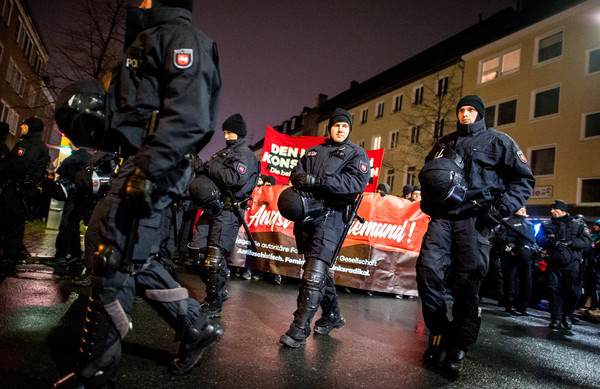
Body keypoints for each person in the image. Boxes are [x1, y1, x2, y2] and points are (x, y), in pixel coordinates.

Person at [54, 0, 223, 387]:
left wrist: (150, 169)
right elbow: (132, 115)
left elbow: (190, 115)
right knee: (133, 257)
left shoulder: (182, 38)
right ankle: (196, 327)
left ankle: (96, 373)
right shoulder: (147, 39)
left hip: (154, 165)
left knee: (112, 257)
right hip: (141, 161)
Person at [416, 94, 534, 375]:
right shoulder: (444, 143)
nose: (465, 114)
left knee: (467, 282)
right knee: (427, 272)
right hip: (443, 218)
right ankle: (439, 333)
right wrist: (428, 201)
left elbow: (524, 179)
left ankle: (459, 344)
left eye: (470, 110)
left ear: (480, 114)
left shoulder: (499, 141)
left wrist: (500, 209)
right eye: (461, 110)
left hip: (476, 219)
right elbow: (429, 174)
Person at [279, 107, 370, 348]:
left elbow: (354, 183)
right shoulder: (313, 151)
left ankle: (299, 328)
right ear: (330, 127)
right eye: (337, 125)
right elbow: (297, 172)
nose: (340, 129)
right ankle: (332, 315)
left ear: (349, 129)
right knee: (316, 268)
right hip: (309, 215)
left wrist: (317, 182)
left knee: (313, 272)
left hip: (334, 215)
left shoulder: (355, 153)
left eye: (345, 126)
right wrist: (299, 177)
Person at [187, 113, 260, 318]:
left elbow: (233, 178)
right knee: (196, 253)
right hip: (211, 208)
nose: (227, 135)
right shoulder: (223, 152)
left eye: (230, 132)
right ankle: (219, 289)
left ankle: (214, 301)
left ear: (240, 132)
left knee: (214, 260)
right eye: (225, 132)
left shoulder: (244, 154)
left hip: (228, 211)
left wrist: (209, 167)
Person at [0, 117, 49, 271]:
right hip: (18, 189)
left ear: (31, 127)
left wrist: (3, 167)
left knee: (13, 222)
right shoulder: (31, 144)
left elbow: (18, 163)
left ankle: (10, 256)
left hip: (20, 190)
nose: (21, 126)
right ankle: (13, 251)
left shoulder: (31, 145)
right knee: (8, 221)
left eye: (24, 125)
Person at [536, 200, 591, 330]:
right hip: (553, 264)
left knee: (573, 292)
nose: (551, 211)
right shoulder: (546, 224)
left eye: (554, 208)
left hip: (572, 265)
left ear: (562, 210)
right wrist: (552, 243)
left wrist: (571, 243)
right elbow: (539, 239)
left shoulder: (578, 224)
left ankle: (567, 315)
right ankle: (556, 318)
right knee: (554, 291)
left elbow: (587, 241)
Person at [51, 142, 91, 264]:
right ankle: (76, 253)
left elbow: (63, 171)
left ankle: (61, 255)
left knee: (67, 224)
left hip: (75, 196)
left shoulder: (77, 158)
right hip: (79, 196)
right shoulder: (85, 157)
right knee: (72, 225)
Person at [496, 206, 536, 316]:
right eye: (521, 209)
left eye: (525, 209)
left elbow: (533, 240)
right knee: (511, 280)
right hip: (512, 254)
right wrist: (514, 241)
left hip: (526, 255)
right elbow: (501, 237)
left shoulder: (529, 224)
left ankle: (523, 305)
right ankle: (510, 304)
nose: (523, 211)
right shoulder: (508, 223)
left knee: (526, 280)